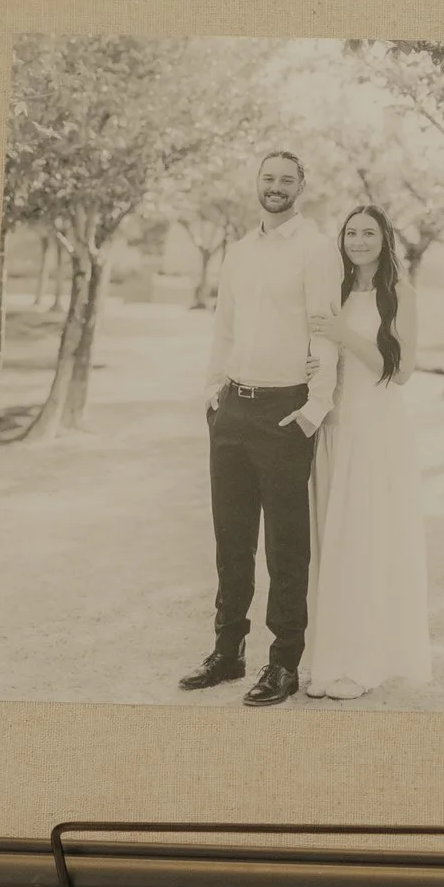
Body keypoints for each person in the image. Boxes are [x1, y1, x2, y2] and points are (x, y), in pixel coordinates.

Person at [179, 147, 336, 706]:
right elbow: (224, 327)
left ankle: (284, 664)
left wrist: (315, 408)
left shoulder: (317, 251)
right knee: (232, 540)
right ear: (257, 183)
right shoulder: (240, 251)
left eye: (286, 180)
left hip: (285, 412)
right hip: (233, 409)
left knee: (286, 548)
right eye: (268, 178)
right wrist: (210, 393)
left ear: (301, 186)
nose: (275, 187)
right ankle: (228, 653)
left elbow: (326, 331)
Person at [300, 205, 433, 702]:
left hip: (373, 430)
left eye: (368, 233)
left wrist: (346, 336)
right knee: (327, 546)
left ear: (385, 240)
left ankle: (363, 664)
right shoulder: (332, 290)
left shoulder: (400, 294)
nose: (358, 240)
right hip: (330, 427)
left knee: (362, 544)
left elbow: (400, 372)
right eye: (351, 232)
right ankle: (324, 658)